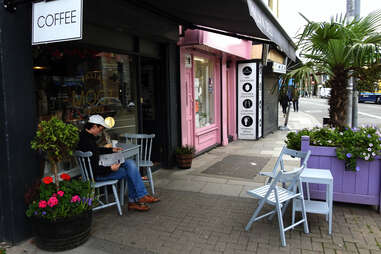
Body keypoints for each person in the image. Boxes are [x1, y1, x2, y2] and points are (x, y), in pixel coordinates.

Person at [77, 114, 159, 212]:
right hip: (97, 175)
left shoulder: (86, 137)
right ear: (94, 126)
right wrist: (110, 169)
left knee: (130, 163)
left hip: (100, 169)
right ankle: (136, 199)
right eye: (101, 129)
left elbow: (95, 151)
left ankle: (140, 197)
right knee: (130, 171)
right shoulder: (86, 141)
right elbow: (94, 167)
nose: (101, 131)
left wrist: (111, 150)